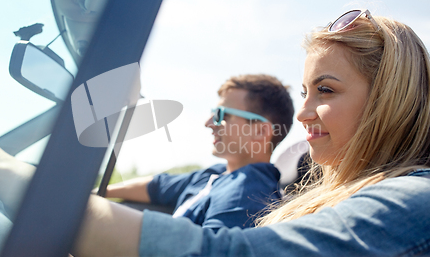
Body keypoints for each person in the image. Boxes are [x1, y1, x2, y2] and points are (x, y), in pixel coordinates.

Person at [0, 9, 430, 257]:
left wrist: (0, 168)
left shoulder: (422, 199)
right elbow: (156, 187)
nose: (306, 110)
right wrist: (88, 194)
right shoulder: (208, 178)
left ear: (389, 100)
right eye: (306, 90)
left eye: (327, 90)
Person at [103, 74, 294, 230]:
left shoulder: (247, 191)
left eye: (221, 115)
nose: (209, 123)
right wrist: (96, 193)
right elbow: (157, 186)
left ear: (260, 131)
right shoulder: (216, 173)